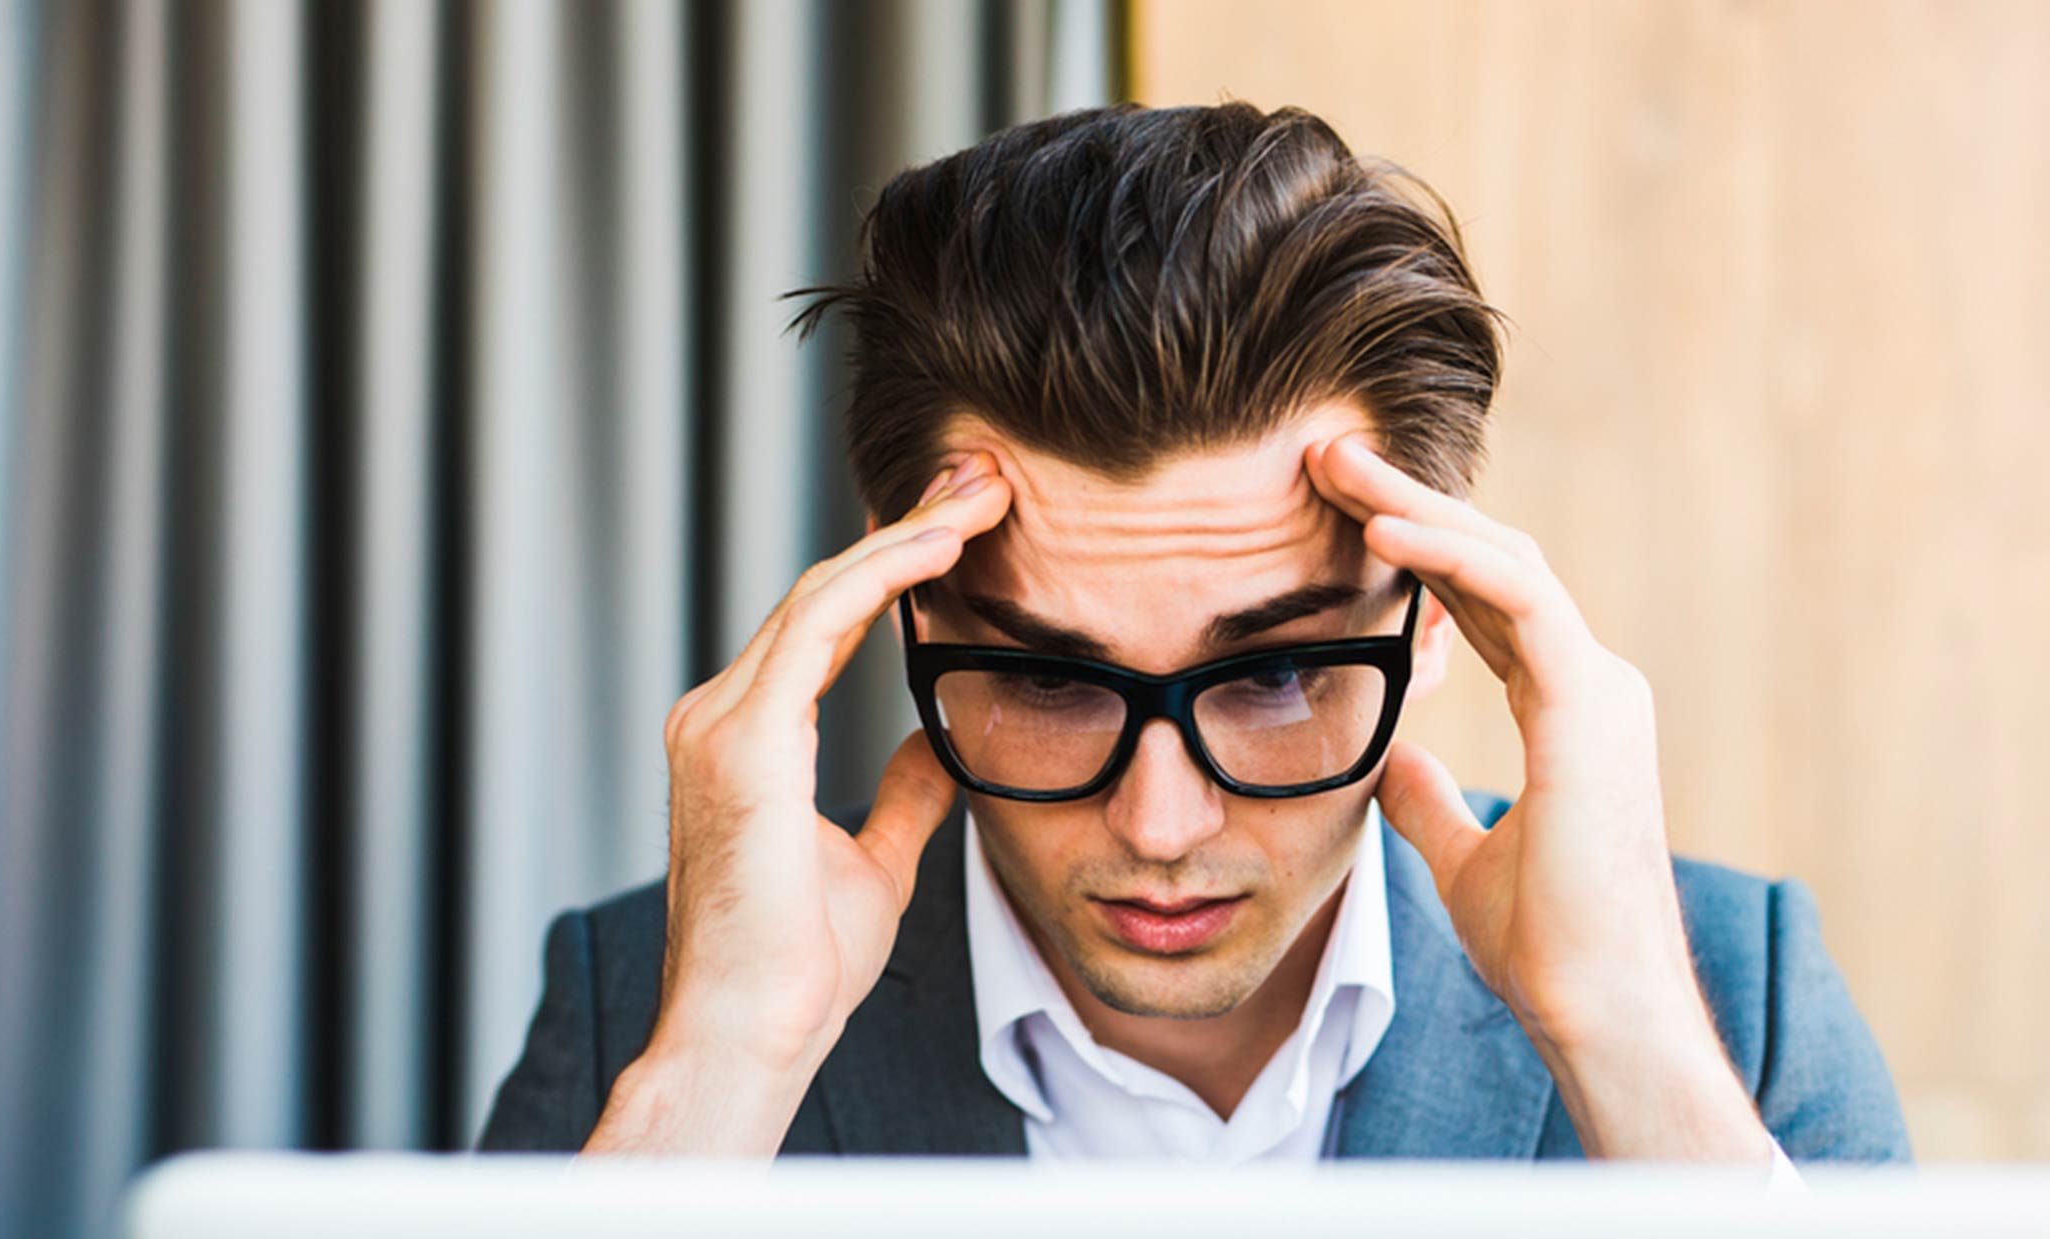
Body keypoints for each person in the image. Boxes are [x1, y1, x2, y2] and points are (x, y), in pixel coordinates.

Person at [477, 101, 1910, 1171]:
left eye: (1278, 673)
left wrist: (1629, 1044)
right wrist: (727, 1061)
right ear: (900, 605)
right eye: (1045, 677)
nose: (1161, 823)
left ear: (1430, 621)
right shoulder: (649, 1007)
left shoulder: (1732, 994)